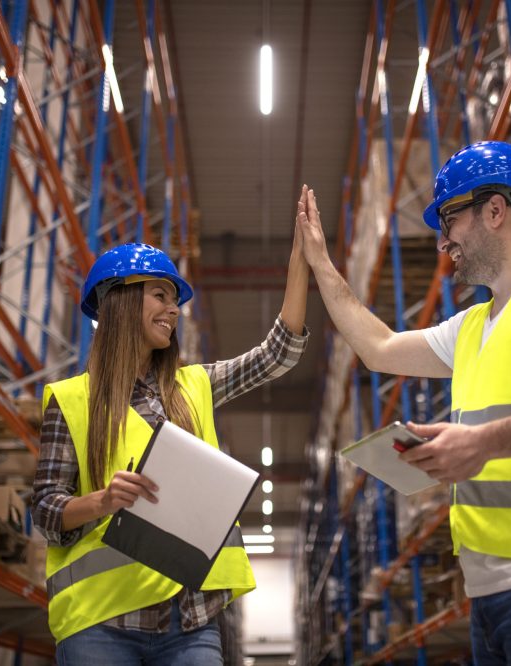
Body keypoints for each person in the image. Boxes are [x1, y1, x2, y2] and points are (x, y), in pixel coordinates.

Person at [297, 142, 511, 665]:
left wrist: (481, 443)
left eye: (449, 220)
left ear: (495, 211)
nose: (443, 241)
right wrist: (320, 263)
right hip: (489, 597)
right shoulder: (472, 327)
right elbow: (378, 349)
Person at [33, 189, 311, 665]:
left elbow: (277, 354)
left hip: (190, 621)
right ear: (118, 303)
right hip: (100, 623)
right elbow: (45, 510)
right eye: (160, 295)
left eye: (174, 299)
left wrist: (301, 261)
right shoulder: (71, 400)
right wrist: (102, 500)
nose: (174, 309)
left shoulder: (192, 385)